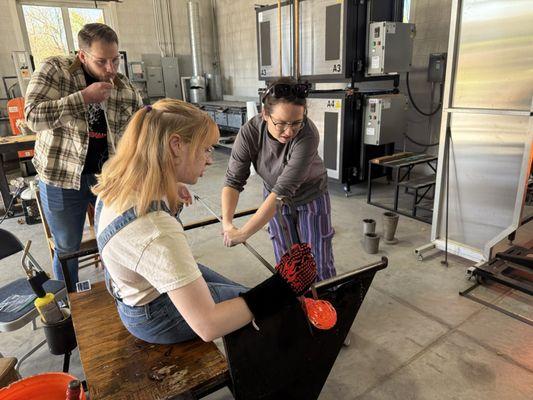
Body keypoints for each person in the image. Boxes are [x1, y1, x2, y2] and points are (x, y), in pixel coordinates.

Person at [92, 99, 317, 344]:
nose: (210, 159)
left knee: (249, 296)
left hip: (136, 289)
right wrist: (282, 286)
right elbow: (208, 325)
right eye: (206, 149)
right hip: (153, 314)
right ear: (176, 145)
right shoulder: (155, 229)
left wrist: (171, 184)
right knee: (265, 304)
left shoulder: (120, 180)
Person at [25, 23, 143, 289]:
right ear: (82, 56)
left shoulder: (123, 87)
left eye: (115, 60)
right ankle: (70, 304)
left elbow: (140, 136)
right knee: (67, 248)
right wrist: (83, 98)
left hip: (107, 176)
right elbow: (32, 116)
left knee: (116, 236)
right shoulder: (55, 71)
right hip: (61, 178)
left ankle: (122, 297)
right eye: (102, 62)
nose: (111, 69)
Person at [222, 78, 336, 281]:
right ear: (265, 114)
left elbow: (282, 191)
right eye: (281, 123)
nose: (290, 131)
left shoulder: (308, 135)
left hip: (310, 195)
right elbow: (233, 181)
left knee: (316, 259)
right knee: (286, 260)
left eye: (296, 123)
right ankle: (294, 305)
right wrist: (228, 223)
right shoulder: (250, 133)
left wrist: (244, 233)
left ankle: (323, 306)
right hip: (272, 193)